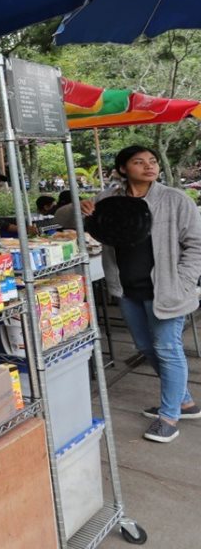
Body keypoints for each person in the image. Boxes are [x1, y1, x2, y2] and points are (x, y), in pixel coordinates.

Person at [81, 145, 201, 444]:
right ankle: (184, 402)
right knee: (146, 348)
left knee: (167, 348)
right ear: (123, 169)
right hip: (128, 289)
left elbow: (196, 245)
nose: (149, 166)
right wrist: (85, 213)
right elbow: (99, 233)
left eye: (153, 161)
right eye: (139, 162)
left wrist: (184, 280)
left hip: (167, 290)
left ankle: (169, 416)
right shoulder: (108, 202)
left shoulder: (175, 200)